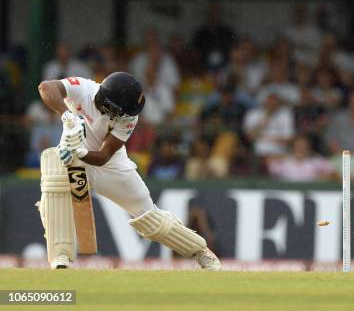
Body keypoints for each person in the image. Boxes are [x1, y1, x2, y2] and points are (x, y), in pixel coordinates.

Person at [37, 72, 220, 270]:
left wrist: (80, 152)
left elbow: (104, 155)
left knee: (150, 218)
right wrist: (68, 117)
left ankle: (200, 251)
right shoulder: (83, 88)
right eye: (120, 111)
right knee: (54, 178)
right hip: (71, 159)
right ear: (107, 103)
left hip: (110, 165)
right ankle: (61, 256)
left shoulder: (128, 117)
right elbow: (46, 87)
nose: (124, 116)